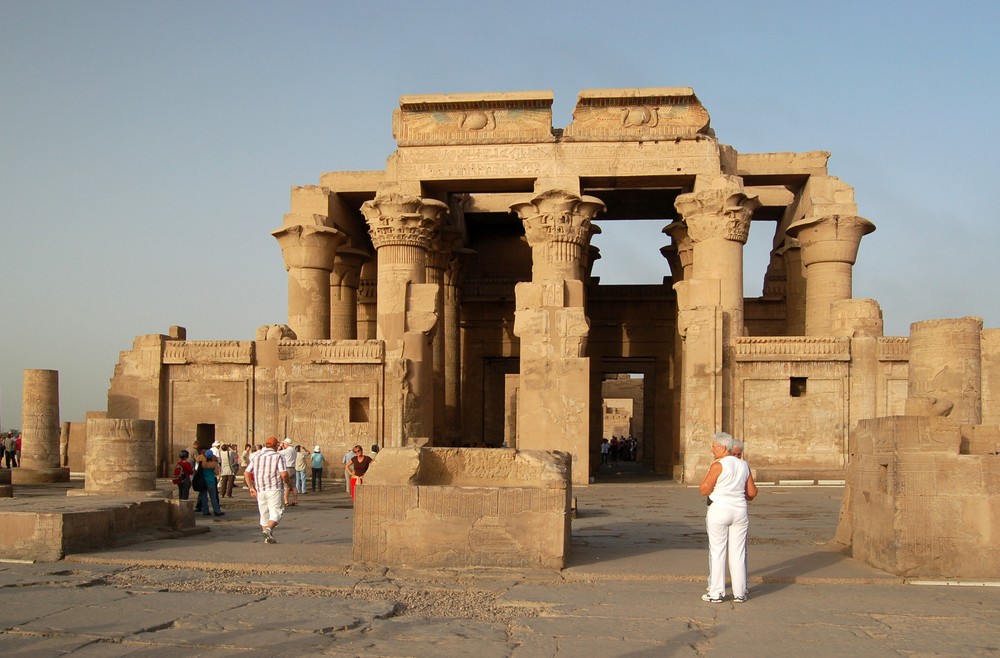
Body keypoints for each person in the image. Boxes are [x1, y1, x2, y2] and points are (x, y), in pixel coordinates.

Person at [699, 432, 756, 603]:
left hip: (720, 510)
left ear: (723, 448)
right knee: (738, 552)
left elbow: (704, 489)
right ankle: (740, 592)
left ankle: (716, 592)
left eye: (714, 446)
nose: (712, 449)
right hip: (739, 511)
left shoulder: (718, 465)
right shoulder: (743, 465)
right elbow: (752, 493)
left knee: (718, 552)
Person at [243, 436, 289, 544]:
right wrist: (288, 482)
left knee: (264, 514)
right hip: (274, 488)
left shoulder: (257, 457)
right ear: (276, 445)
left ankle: (267, 538)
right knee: (277, 512)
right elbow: (283, 473)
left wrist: (251, 487)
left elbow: (246, 472)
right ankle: (268, 530)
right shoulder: (278, 456)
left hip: (260, 489)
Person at [194, 445, 224, 516]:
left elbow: (197, 469)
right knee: (213, 497)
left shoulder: (202, 463)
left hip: (203, 481)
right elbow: (216, 473)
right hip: (211, 481)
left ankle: (205, 511)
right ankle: (216, 511)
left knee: (203, 496)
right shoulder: (214, 463)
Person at [279, 438, 299, 506]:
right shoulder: (294, 450)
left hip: (287, 468)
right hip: (293, 468)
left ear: (286, 444)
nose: (283, 444)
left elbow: (277, 453)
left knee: (286, 486)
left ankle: (286, 501)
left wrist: (280, 447)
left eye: (284, 443)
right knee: (293, 486)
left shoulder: (286, 450)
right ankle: (295, 501)